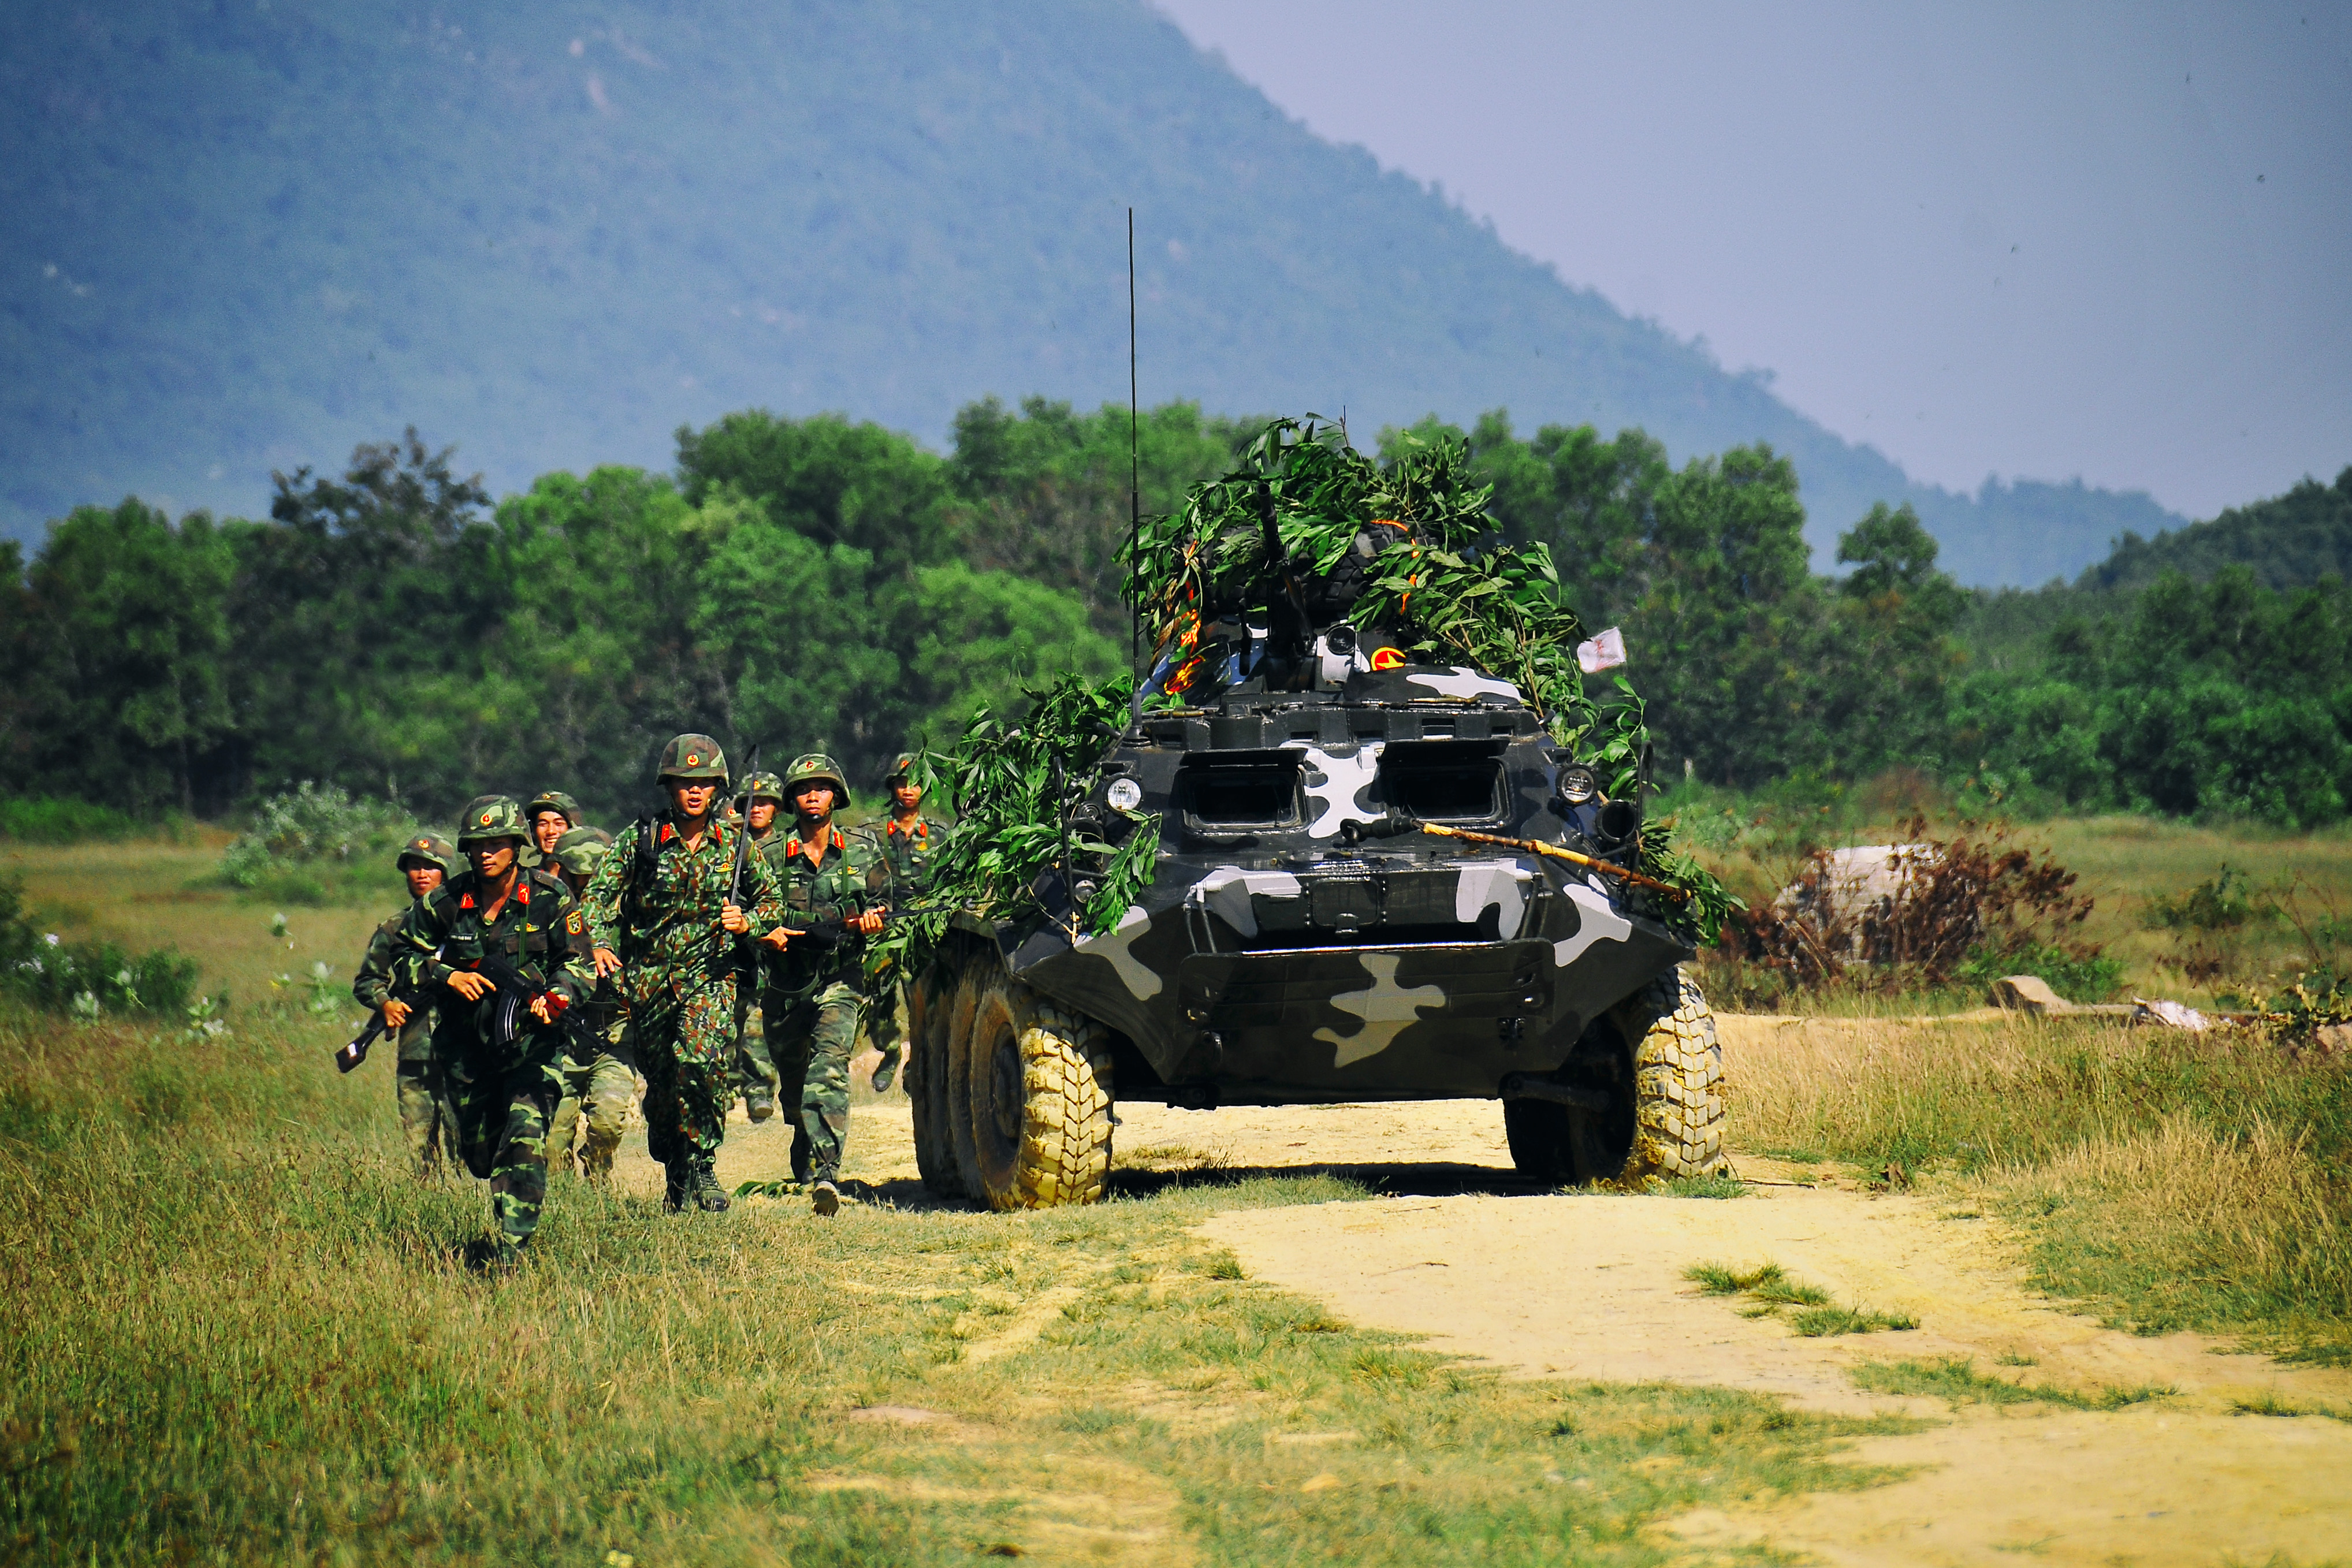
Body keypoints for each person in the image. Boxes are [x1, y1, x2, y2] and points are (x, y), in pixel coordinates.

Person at [580, 736, 788, 1215]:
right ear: (669, 786)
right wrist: (602, 942)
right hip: (649, 983)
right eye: (684, 783)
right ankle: (676, 1165)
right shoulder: (641, 840)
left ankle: (703, 1160)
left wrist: (748, 922)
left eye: (705, 783)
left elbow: (774, 904)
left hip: (710, 976)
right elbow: (596, 897)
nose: (695, 792)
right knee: (666, 1087)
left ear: (717, 788)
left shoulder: (736, 847)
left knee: (700, 1061)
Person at [393, 797, 596, 1267]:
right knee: (482, 1156)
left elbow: (580, 961)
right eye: (478, 845)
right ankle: (501, 1204)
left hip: (532, 1048)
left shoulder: (549, 896)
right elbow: (401, 958)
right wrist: (448, 976)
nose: (487, 853)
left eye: (497, 843)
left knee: (524, 1141)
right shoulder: (446, 901)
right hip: (466, 1051)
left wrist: (559, 996)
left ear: (517, 846)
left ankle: (511, 1249)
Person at [760, 753, 887, 1217]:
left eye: (823, 786)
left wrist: (873, 919)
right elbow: (751, 913)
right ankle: (803, 1132)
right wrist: (778, 929)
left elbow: (884, 902)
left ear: (837, 795)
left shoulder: (863, 850)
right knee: (795, 1088)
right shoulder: (769, 854)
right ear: (792, 798)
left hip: (840, 978)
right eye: (804, 788)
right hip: (786, 986)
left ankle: (826, 1170)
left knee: (828, 1066)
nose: (813, 795)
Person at [353, 831, 462, 1175]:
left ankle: (470, 1204)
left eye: (431, 867)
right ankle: (426, 1204)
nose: (421, 874)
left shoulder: (467, 925)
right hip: (416, 1052)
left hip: (463, 1050)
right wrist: (384, 1004)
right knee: (418, 1143)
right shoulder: (395, 928)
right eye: (414, 867)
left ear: (445, 873)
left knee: (465, 1143)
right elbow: (368, 980)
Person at [544, 826, 635, 1180]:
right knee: (552, 1141)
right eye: (576, 878)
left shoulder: (631, 916)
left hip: (613, 1038)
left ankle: (599, 1173)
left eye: (592, 879)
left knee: (609, 1124)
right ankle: (564, 1203)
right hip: (559, 1040)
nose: (584, 888)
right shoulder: (546, 915)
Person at [853, 751, 938, 1095]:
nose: (908, 790)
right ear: (892, 788)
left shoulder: (941, 835)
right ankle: (889, 1053)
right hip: (884, 930)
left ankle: (920, 1064)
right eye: (902, 783)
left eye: (915, 783)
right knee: (880, 997)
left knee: (929, 1000)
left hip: (923, 931)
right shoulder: (871, 834)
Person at [727, 770, 788, 1122]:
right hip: (735, 946)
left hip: (775, 947)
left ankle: (760, 1089)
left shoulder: (783, 849)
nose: (756, 809)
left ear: (776, 809)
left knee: (759, 1020)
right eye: (749, 802)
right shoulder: (727, 848)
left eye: (764, 802)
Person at [523, 789, 585, 870]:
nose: (551, 831)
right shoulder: (527, 880)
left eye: (559, 824)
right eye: (543, 824)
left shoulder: (593, 878)